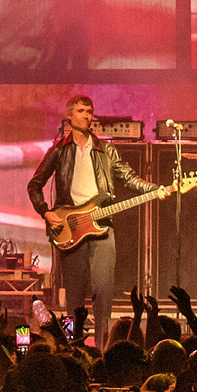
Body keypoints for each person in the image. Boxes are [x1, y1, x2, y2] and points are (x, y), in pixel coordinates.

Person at [26, 95, 142, 344]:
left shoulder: (106, 150)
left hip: (102, 227)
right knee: (74, 298)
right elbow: (34, 185)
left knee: (103, 293)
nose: (87, 116)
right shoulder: (59, 150)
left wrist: (155, 189)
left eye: (89, 111)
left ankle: (102, 348)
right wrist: (46, 212)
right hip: (72, 228)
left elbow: (128, 177)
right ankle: (71, 347)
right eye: (81, 111)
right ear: (69, 116)